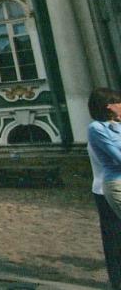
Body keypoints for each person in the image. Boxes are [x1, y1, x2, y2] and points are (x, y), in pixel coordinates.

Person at [88, 88, 121, 288]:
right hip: (105, 190)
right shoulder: (98, 130)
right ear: (108, 106)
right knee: (114, 240)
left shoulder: (113, 128)